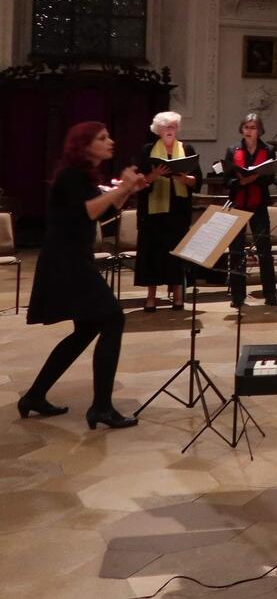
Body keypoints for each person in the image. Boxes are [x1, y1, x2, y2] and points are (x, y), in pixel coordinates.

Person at [19, 122, 144, 429]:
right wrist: (124, 187)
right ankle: (101, 407)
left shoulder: (84, 176)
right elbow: (87, 211)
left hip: (72, 258)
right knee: (114, 318)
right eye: (103, 138)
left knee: (86, 329)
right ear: (84, 145)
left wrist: (127, 191)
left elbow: (101, 212)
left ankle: (34, 396)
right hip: (66, 261)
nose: (110, 142)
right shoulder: (71, 176)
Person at [134, 111, 201, 311]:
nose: (169, 131)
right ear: (158, 130)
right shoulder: (148, 150)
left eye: (172, 127)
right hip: (154, 212)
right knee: (152, 253)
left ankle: (179, 296)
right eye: (166, 127)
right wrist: (155, 174)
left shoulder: (187, 149)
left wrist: (184, 179)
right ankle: (151, 297)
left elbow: (197, 179)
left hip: (178, 212)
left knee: (177, 253)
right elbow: (140, 181)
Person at [225, 113, 277, 308]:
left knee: (264, 251)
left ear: (259, 131)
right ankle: (237, 296)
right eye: (246, 127)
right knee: (236, 252)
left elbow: (270, 178)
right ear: (242, 129)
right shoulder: (233, 150)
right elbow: (226, 178)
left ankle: (270, 294)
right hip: (237, 204)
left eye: (253, 127)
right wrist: (240, 181)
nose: (249, 131)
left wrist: (253, 178)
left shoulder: (268, 150)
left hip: (258, 205)